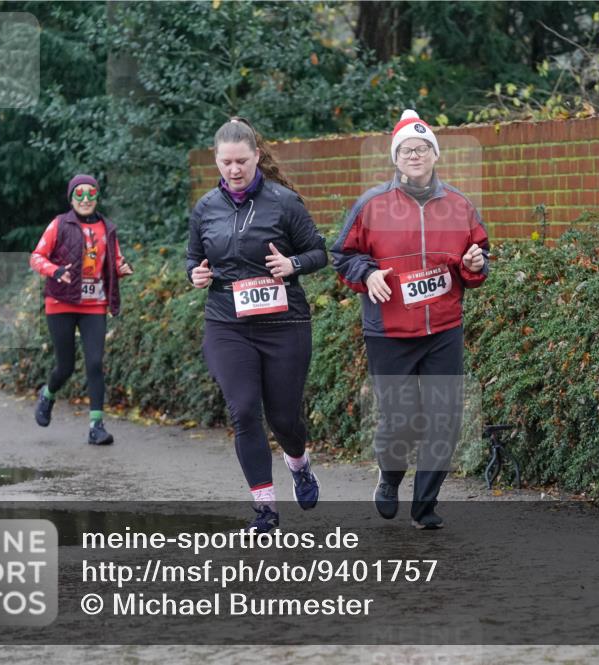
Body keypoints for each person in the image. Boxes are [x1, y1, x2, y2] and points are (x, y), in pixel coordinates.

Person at [332, 109, 489, 529]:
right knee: (399, 421)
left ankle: (425, 505)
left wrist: (475, 263)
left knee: (445, 418)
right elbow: (342, 256)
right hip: (389, 331)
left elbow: (478, 262)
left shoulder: (459, 205)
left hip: (443, 328)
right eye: (406, 150)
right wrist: (368, 273)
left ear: (435, 155)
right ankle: (389, 478)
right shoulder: (371, 205)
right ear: (395, 159)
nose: (414, 155)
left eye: (422, 148)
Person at [187, 117, 327, 533]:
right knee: (245, 410)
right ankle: (265, 509)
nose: (234, 170)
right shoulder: (205, 208)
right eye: (226, 162)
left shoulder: (284, 202)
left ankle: (299, 464)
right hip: (227, 322)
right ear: (216, 160)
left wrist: (292, 264)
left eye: (242, 162)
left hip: (284, 323)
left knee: (284, 419)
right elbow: (193, 258)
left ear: (257, 157)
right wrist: (196, 274)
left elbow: (319, 252)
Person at [29, 174, 133, 445]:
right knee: (65, 366)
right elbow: (36, 257)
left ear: (97, 197)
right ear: (71, 198)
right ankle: (48, 395)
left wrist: (121, 268)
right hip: (61, 302)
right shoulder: (59, 224)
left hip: (94, 304)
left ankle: (96, 425)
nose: (85, 199)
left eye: (91, 194)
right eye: (79, 194)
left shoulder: (107, 228)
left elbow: (116, 260)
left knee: (95, 363)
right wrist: (56, 270)